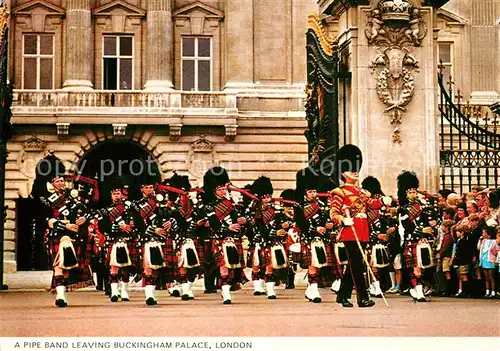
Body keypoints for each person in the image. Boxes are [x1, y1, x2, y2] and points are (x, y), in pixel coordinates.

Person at [32, 152, 94, 307]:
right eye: (57, 181)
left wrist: (83, 219)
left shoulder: (72, 198)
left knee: (66, 268)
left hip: (72, 236)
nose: (61, 183)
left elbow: (86, 211)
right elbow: (47, 220)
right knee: (58, 265)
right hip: (57, 235)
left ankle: (62, 294)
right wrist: (65, 225)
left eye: (62, 180)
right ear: (52, 183)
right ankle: (60, 297)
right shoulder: (46, 200)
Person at [329, 145, 375, 308]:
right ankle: (362, 298)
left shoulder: (363, 193)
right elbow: (333, 214)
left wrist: (383, 202)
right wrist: (343, 220)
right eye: (351, 169)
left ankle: (342, 295)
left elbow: (372, 205)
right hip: (350, 232)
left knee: (353, 264)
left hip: (362, 231)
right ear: (343, 172)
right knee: (356, 265)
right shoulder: (338, 192)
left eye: (356, 169)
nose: (355, 172)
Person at [202, 167, 248, 304]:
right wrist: (228, 227)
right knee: (223, 266)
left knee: (230, 267)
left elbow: (237, 221)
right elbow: (213, 223)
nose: (223, 192)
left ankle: (225, 290)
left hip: (232, 239)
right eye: (219, 190)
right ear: (214, 191)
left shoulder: (232, 205)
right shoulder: (209, 207)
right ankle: (226, 293)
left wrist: (241, 221)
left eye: (224, 189)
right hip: (218, 239)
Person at [295, 167, 338, 303]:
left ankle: (310, 288)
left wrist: (329, 225)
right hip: (308, 237)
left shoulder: (321, 205)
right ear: (305, 192)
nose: (313, 194)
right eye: (310, 192)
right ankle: (313, 289)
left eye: (314, 191)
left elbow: (327, 220)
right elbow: (301, 223)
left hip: (321, 239)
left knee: (319, 264)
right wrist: (315, 229)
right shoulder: (299, 206)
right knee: (313, 264)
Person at [101, 177, 139, 302]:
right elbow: (104, 227)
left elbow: (139, 221)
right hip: (114, 239)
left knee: (126, 267)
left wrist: (133, 224)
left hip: (127, 239)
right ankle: (114, 292)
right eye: (114, 194)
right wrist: (119, 227)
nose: (117, 196)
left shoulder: (130, 208)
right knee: (114, 266)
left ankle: (124, 291)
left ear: (122, 194)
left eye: (118, 193)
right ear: (111, 195)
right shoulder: (106, 210)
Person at [450, 224, 472, 297]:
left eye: (458, 232)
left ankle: (465, 291)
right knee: (461, 276)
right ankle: (462, 290)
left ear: (462, 232)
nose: (456, 233)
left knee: (464, 275)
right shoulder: (460, 240)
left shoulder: (464, 241)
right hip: (460, 260)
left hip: (463, 260)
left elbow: (463, 251)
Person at [478, 225, 497, 298]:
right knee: (486, 277)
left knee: (491, 277)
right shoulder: (483, 241)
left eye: (484, 233)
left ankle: (493, 292)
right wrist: (480, 240)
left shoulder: (493, 241)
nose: (482, 234)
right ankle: (487, 291)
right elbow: (478, 248)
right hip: (484, 260)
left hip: (490, 260)